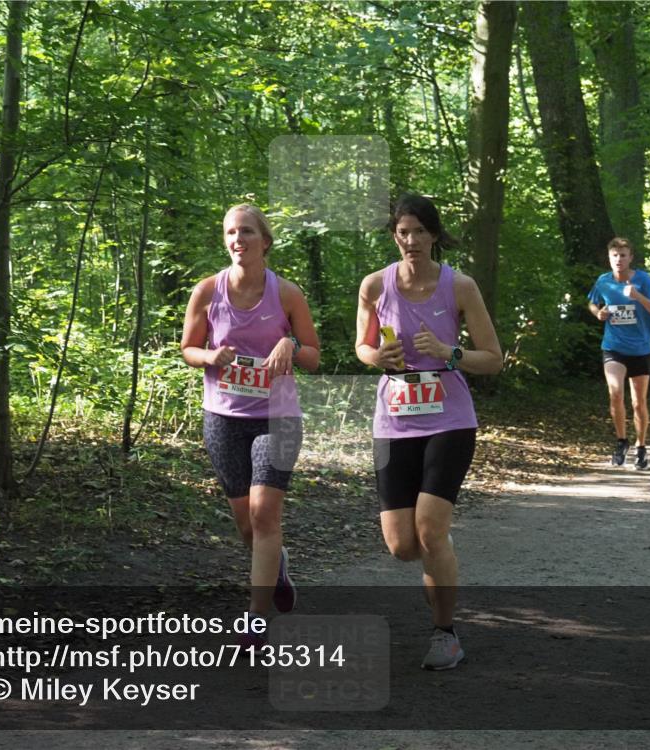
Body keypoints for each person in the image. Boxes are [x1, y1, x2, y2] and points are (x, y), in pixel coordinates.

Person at [355, 194, 502, 671]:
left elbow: (493, 359)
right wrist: (376, 356)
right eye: (403, 231)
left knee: (430, 529)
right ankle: (440, 551)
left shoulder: (460, 286)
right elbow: (362, 345)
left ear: (434, 235)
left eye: (420, 231)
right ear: (394, 236)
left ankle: (445, 634)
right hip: (395, 421)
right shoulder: (374, 286)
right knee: (402, 546)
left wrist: (448, 352)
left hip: (449, 420)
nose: (411, 240)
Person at [181, 204, 320, 647]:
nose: (237, 240)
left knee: (264, 513)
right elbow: (188, 348)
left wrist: (290, 344)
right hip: (224, 418)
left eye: (246, 232)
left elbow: (313, 356)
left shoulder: (287, 294)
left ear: (265, 241)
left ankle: (255, 620)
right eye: (230, 233)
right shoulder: (207, 291)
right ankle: (276, 568)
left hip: (278, 418)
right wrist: (210, 355)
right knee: (247, 525)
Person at [587, 237, 650, 470]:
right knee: (615, 394)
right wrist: (598, 313)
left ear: (631, 257)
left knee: (638, 402)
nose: (619, 259)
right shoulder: (603, 281)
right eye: (615, 255)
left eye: (623, 255)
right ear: (609, 258)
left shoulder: (643, 280)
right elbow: (592, 303)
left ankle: (641, 447)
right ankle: (621, 441)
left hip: (640, 348)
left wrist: (638, 296)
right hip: (613, 347)